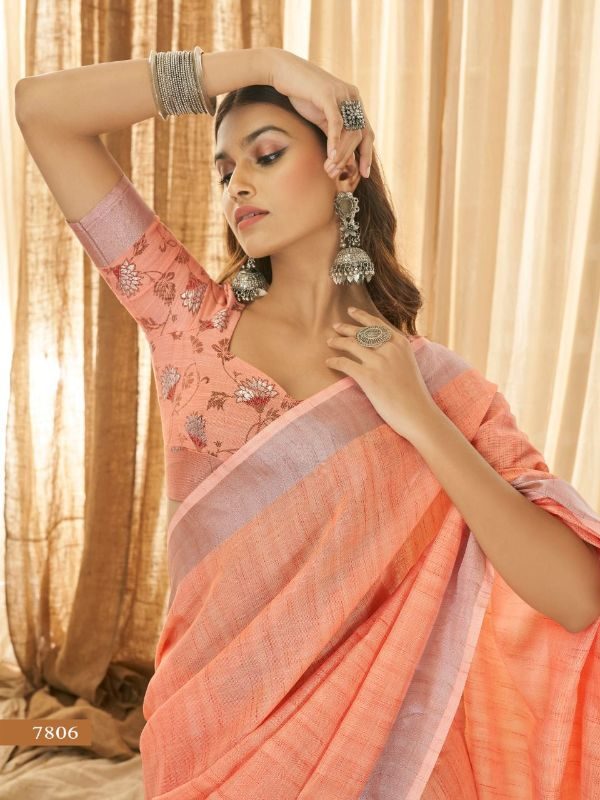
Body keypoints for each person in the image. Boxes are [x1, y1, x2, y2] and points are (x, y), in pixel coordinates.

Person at [15, 46, 600, 799]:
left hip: (384, 761)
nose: (238, 183)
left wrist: (420, 420)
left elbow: (576, 597)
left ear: (344, 168)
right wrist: (264, 64)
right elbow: (41, 111)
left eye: (266, 154)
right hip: (213, 746)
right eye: (225, 171)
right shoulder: (189, 323)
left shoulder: (439, 387)